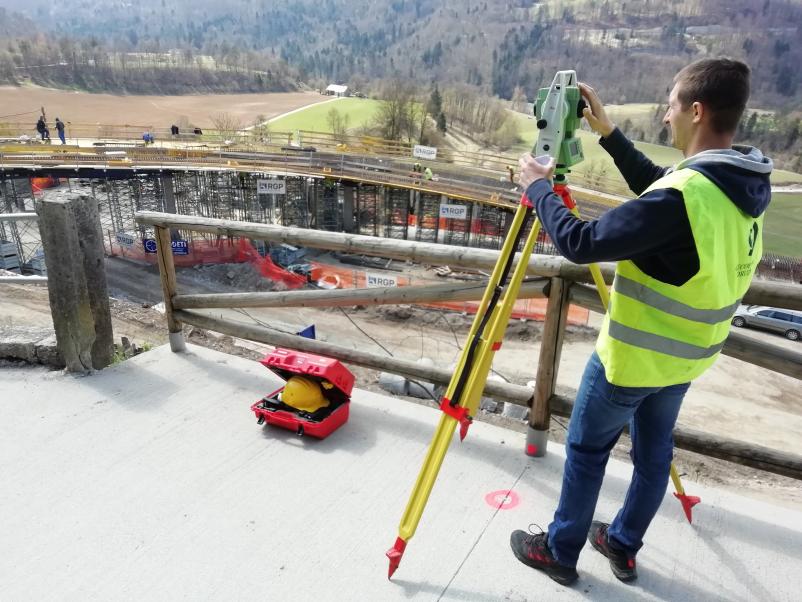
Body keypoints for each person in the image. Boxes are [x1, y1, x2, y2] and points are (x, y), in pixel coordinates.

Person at [510, 58, 771, 586]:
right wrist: (607, 133)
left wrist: (538, 188)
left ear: (696, 111)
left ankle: (560, 551)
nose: (666, 115)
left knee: (587, 451)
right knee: (654, 458)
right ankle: (623, 545)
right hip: (685, 359)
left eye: (672, 104)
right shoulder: (739, 182)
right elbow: (662, 190)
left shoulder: (686, 196)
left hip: (632, 361)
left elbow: (580, 243)